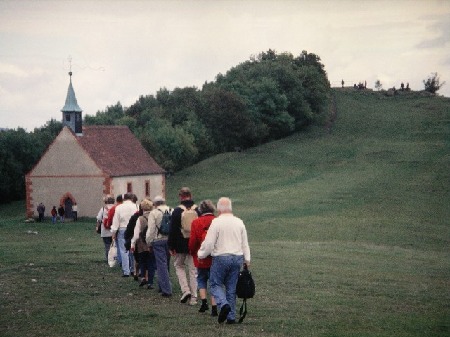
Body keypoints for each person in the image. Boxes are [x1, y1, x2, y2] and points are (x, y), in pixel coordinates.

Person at [198, 197, 251, 324]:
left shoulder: (216, 222)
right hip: (237, 257)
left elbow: (209, 243)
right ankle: (231, 317)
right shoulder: (239, 222)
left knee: (215, 284)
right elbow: (245, 243)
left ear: (219, 209)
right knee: (231, 287)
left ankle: (223, 304)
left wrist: (201, 254)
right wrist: (247, 259)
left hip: (221, 257)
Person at [168, 187, 198, 305]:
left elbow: (173, 230)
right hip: (194, 243)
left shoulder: (177, 211)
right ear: (190, 195)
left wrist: (171, 246)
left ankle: (185, 290)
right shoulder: (198, 210)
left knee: (179, 265)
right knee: (193, 269)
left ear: (180, 196)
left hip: (180, 243)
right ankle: (194, 297)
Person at [188, 199, 218, 316]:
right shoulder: (216, 221)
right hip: (214, 256)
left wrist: (192, 251)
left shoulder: (196, 222)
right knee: (214, 282)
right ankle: (214, 306)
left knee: (201, 278)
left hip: (200, 255)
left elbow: (193, 241)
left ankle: (204, 301)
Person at [146, 195, 173, 297]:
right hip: (169, 239)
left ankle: (166, 289)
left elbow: (151, 229)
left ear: (155, 204)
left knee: (161, 265)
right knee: (166, 263)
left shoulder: (154, 213)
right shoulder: (171, 210)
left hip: (158, 240)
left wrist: (149, 241)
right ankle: (162, 285)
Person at [131, 198, 157, 288]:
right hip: (152, 243)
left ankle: (143, 277)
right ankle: (150, 282)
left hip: (142, 243)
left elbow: (136, 233)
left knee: (142, 261)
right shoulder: (155, 217)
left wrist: (133, 244)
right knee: (151, 262)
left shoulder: (140, 219)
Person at [111, 193, 138, 277]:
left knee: (123, 250)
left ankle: (126, 271)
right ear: (132, 198)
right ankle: (134, 269)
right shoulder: (136, 206)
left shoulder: (119, 207)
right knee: (133, 249)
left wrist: (113, 232)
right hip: (134, 229)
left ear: (124, 199)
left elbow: (116, 220)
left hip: (122, 228)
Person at [96, 196, 115, 263]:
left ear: (106, 202)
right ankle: (114, 258)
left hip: (105, 230)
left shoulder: (103, 209)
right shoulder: (115, 208)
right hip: (114, 231)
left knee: (107, 246)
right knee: (114, 245)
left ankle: (108, 259)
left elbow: (99, 218)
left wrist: (97, 227)